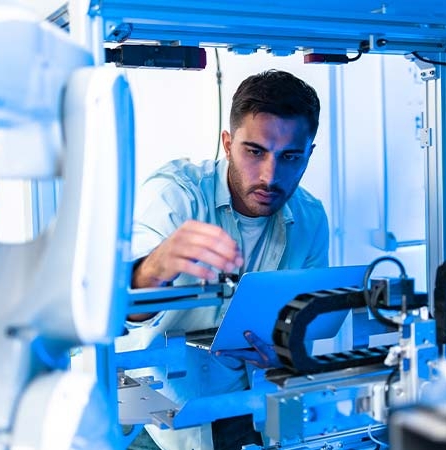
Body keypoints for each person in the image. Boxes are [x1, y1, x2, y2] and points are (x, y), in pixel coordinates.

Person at [118, 69, 329, 450]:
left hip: (239, 399)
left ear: (309, 154)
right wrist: (152, 269)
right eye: (255, 151)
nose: (270, 175)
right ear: (227, 143)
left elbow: (308, 322)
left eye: (290, 156)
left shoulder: (311, 218)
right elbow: (117, 307)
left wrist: (287, 348)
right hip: (141, 395)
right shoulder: (177, 196)